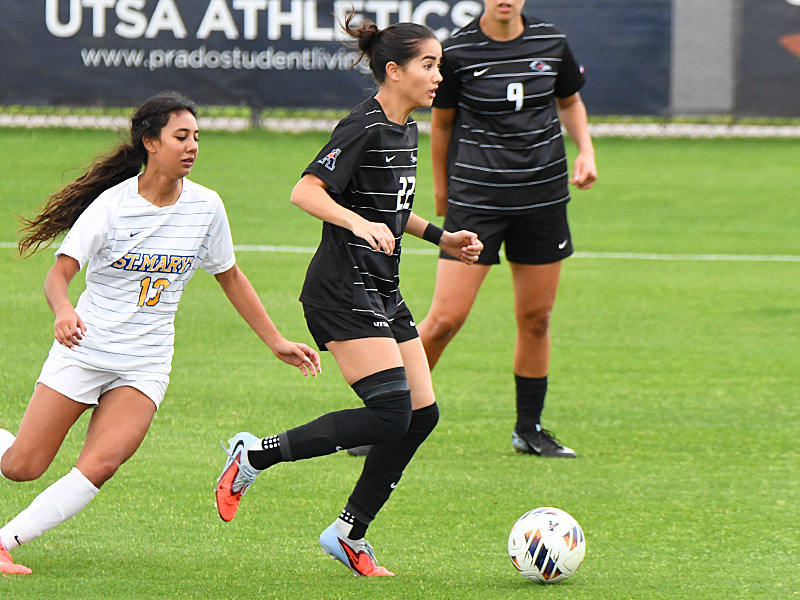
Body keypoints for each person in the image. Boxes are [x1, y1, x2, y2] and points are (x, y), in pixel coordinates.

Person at [0, 92, 321, 575]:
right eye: (181, 137)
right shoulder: (112, 206)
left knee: (102, 464)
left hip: (145, 363)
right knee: (21, 466)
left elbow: (230, 275)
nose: (192, 147)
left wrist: (276, 341)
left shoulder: (207, 206)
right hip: (86, 350)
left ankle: (5, 542)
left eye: (197, 137)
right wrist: (64, 310)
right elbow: (58, 274)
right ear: (150, 142)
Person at [214, 17, 482, 577]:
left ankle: (348, 532)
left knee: (421, 415)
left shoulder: (405, 129)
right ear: (394, 71)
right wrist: (356, 223)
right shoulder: (362, 126)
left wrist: (443, 238)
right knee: (390, 414)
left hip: (382, 288)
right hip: (340, 289)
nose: (438, 75)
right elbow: (305, 191)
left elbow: (392, 207)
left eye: (439, 65)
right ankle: (254, 455)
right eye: (428, 65)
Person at [417, 0, 597, 458]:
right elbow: (441, 125)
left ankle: (528, 429)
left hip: (542, 201)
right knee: (445, 320)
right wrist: (442, 190)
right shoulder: (457, 52)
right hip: (477, 202)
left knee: (537, 319)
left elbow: (570, 102)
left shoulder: (551, 42)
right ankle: (388, 417)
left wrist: (586, 150)